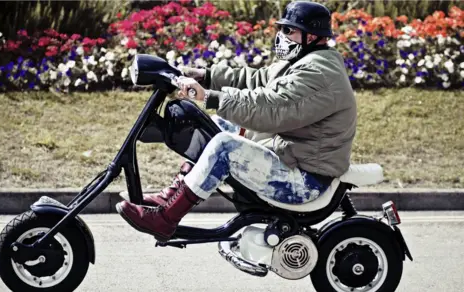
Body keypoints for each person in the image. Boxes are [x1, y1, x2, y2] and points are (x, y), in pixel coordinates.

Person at [116, 1, 357, 242]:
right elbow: (258, 79)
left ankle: (165, 219)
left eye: (288, 31)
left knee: (225, 146)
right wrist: (206, 76)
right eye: (282, 29)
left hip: (304, 183)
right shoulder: (305, 60)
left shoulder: (318, 73)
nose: (281, 36)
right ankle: (170, 198)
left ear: (311, 35)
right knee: (218, 126)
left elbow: (269, 109)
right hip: (292, 159)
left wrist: (207, 96)